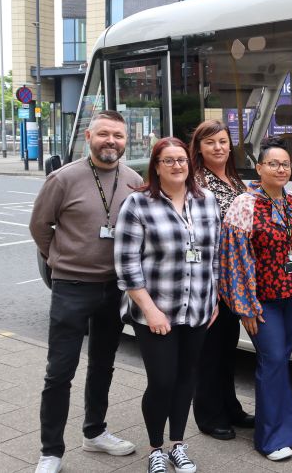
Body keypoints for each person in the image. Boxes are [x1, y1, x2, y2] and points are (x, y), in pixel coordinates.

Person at [29, 110, 141, 473]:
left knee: (103, 365)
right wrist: (61, 259)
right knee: (60, 371)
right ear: (89, 135)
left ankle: (94, 433)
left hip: (114, 288)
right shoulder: (63, 178)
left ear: (126, 141)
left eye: (118, 136)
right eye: (105, 134)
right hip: (72, 288)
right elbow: (40, 226)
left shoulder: (134, 179)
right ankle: (51, 452)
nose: (112, 141)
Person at [114, 137, 220, 473]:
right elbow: (127, 264)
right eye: (169, 160)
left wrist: (214, 296)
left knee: (187, 377)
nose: (178, 166)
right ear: (156, 166)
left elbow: (214, 256)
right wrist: (149, 309)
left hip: (199, 307)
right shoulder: (138, 204)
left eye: (183, 160)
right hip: (156, 311)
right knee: (162, 381)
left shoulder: (207, 201)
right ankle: (155, 447)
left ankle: (178, 444)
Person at [219, 136, 292, 461]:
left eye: (285, 163)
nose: (280, 168)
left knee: (279, 362)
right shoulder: (245, 204)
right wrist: (244, 306)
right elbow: (232, 258)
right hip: (262, 300)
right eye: (273, 163)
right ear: (259, 168)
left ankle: (290, 421)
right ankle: (270, 439)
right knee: (271, 361)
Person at [188, 120, 255, 440]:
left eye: (223, 141)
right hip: (210, 280)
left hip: (235, 280)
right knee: (209, 353)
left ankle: (231, 408)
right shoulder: (196, 183)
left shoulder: (235, 180)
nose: (218, 147)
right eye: (210, 142)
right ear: (199, 148)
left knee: (228, 350)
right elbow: (195, 238)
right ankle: (208, 415)